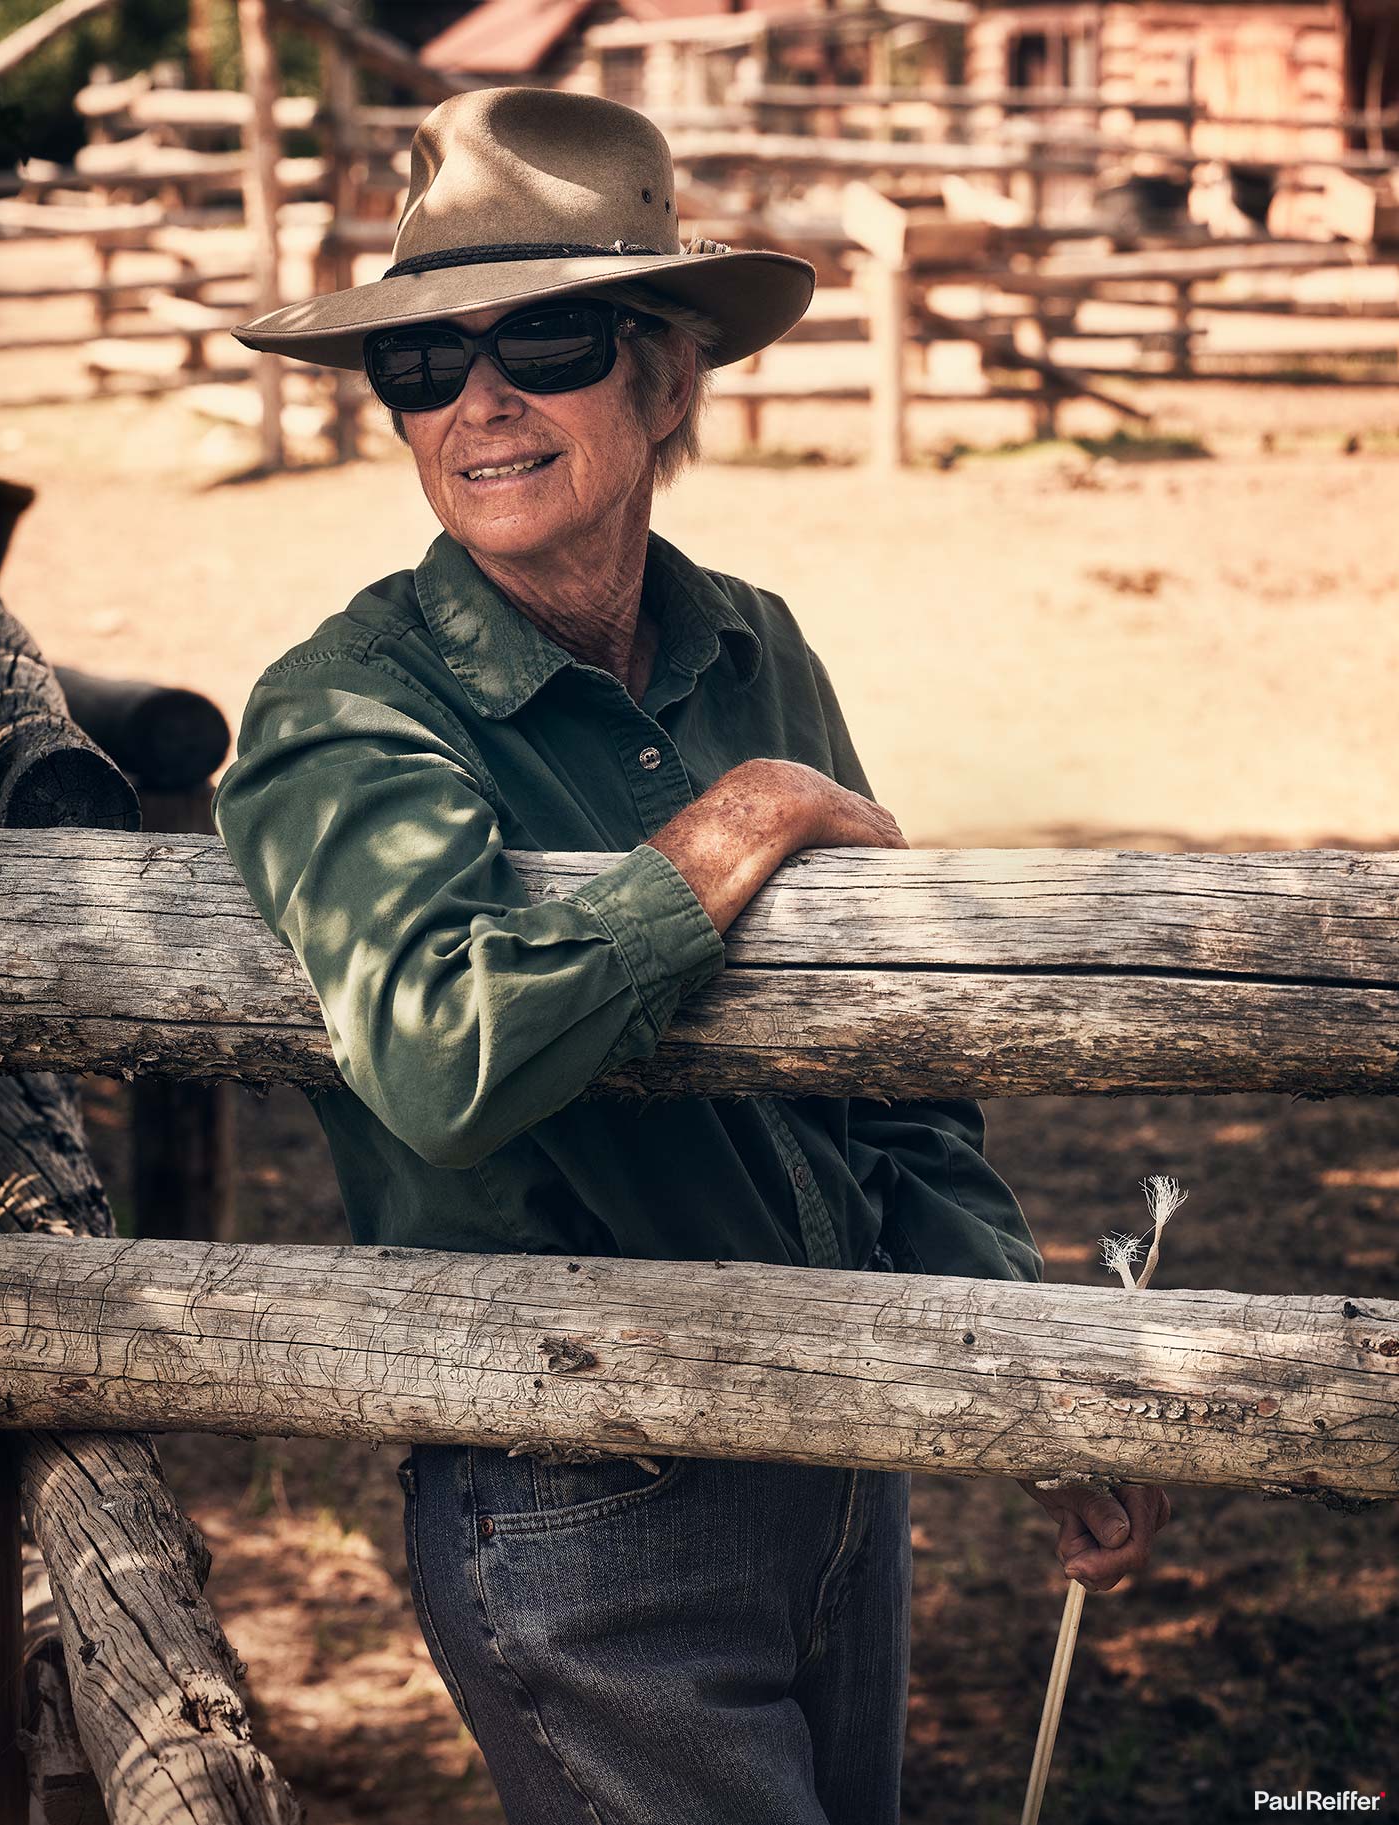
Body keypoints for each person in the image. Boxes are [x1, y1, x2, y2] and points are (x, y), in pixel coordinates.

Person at [212, 85, 1171, 1825]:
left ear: (665, 377)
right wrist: (733, 829)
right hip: (580, 1495)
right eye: (422, 364)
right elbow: (436, 1046)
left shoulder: (749, 641)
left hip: (831, 1466)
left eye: (547, 340)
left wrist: (1034, 1376)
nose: (477, 400)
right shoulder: (346, 710)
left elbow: (899, 1096)